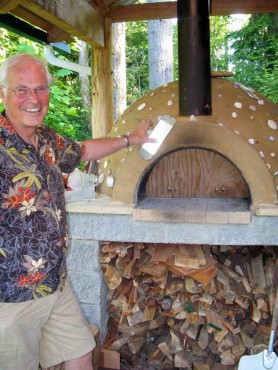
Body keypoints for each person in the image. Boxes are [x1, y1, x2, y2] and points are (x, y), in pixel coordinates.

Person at [0, 53, 153, 370]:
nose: (34, 99)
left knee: (81, 350)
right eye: (22, 90)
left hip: (55, 280)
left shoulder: (45, 138)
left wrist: (131, 139)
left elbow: (82, 150)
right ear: (3, 93)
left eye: (41, 89)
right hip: (12, 294)